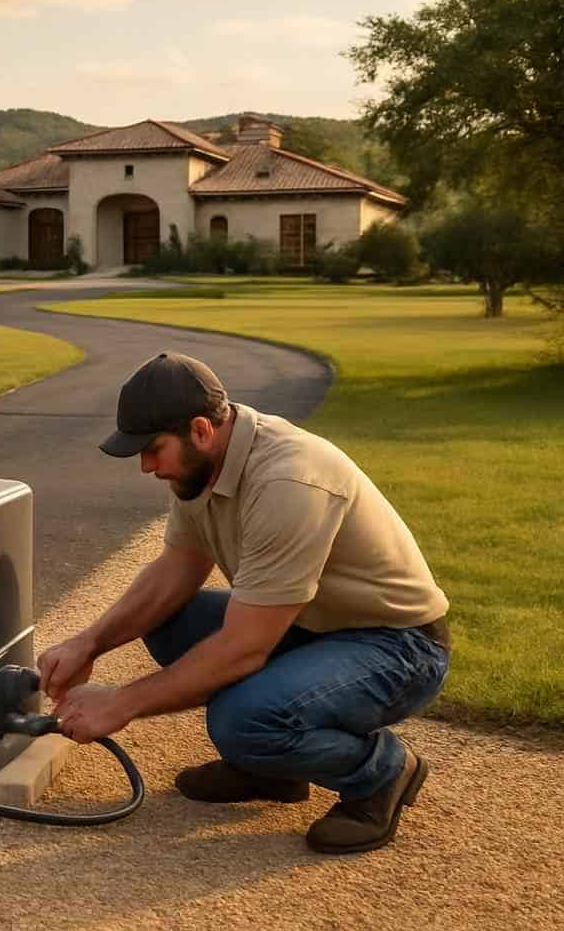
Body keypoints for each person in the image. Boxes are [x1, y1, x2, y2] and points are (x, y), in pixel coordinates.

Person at [37, 352, 451, 854]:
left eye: (152, 449)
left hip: (397, 647)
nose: (146, 466)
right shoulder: (202, 466)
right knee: (172, 623)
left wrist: (120, 703)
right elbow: (176, 572)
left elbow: (244, 648)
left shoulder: (288, 481)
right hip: (314, 625)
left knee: (242, 721)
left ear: (200, 429)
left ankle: (381, 771)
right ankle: (273, 770)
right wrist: (90, 643)